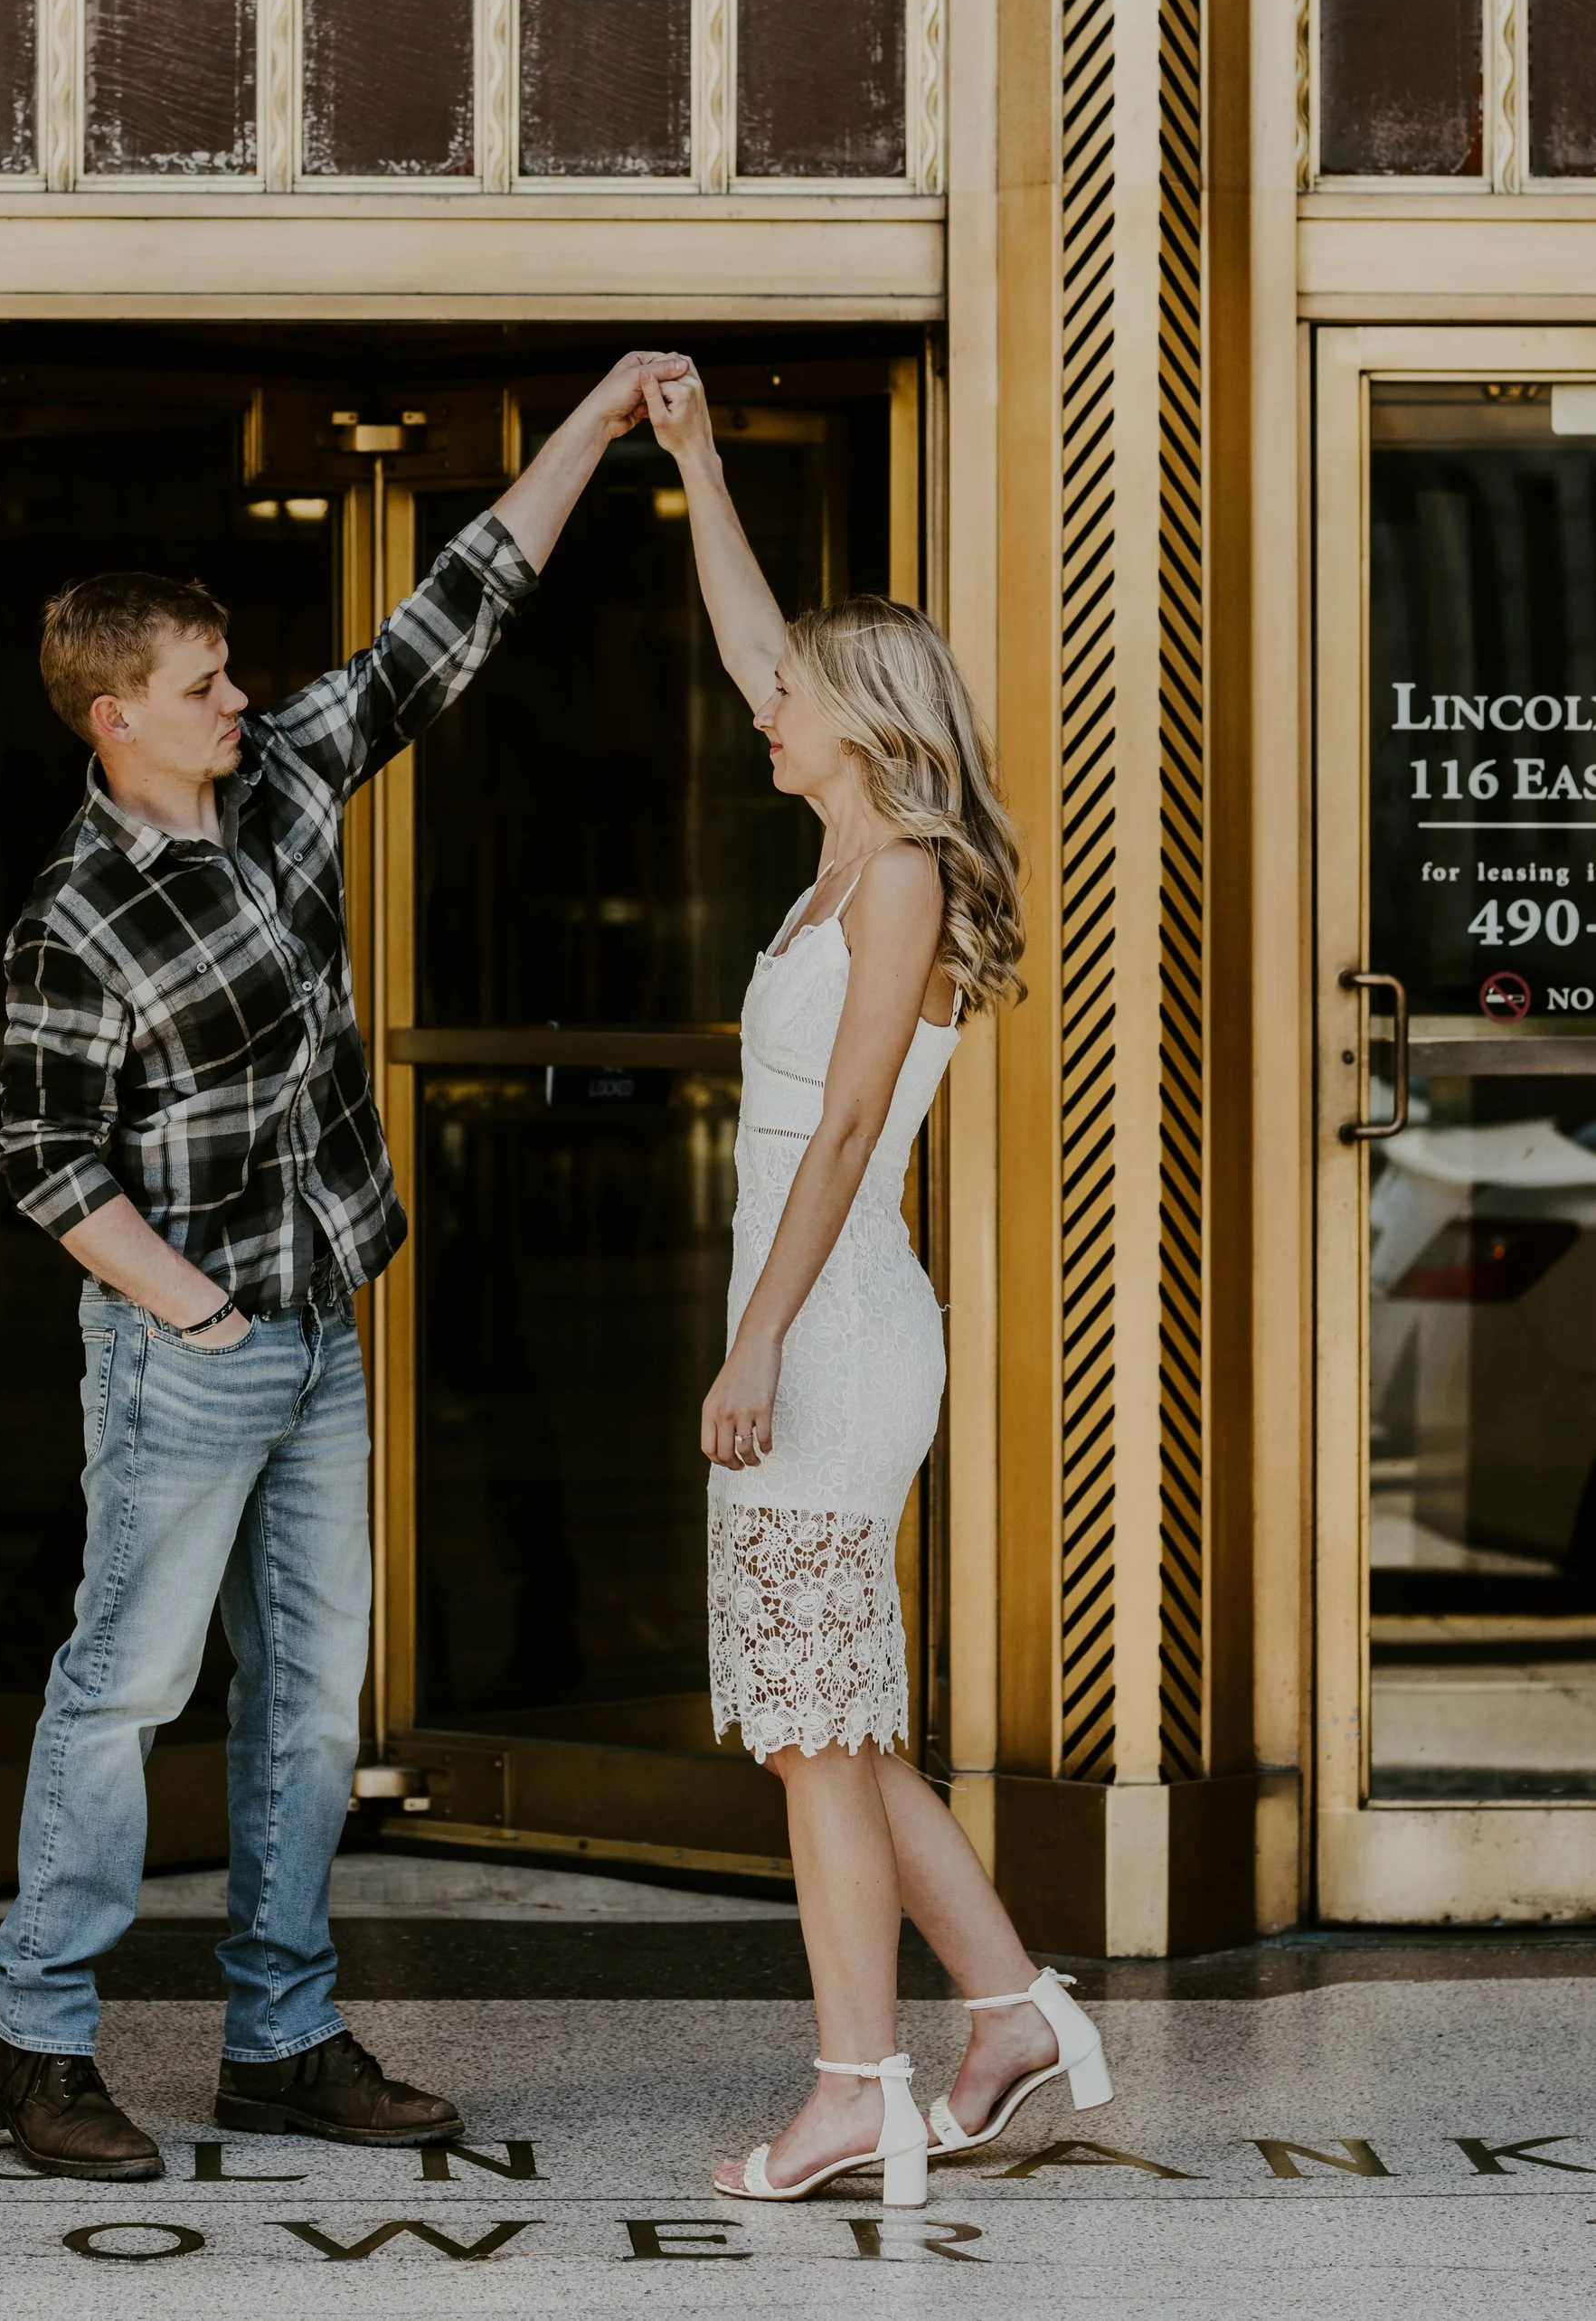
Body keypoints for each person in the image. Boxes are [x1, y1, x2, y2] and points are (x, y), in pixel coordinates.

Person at [0, 350, 686, 2183]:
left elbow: (444, 621)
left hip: (323, 1330)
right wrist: (195, 1305)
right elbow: (42, 1160)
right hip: (185, 1349)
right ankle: (38, 2042)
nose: (239, 694)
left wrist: (595, 429)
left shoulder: (283, 777)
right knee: (124, 1687)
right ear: (113, 715)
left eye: (230, 672)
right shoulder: (74, 916)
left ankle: (277, 2037)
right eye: (201, 681)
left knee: (305, 1701)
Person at [646, 361, 1112, 2212]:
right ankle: (1001, 2017)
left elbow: (840, 1134)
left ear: (858, 721)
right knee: (828, 1718)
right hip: (820, 1319)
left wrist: (748, 1345)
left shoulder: (899, 869)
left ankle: (859, 2091)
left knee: (810, 1736)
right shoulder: (847, 840)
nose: (763, 708)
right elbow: (753, 629)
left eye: (791, 697)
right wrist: (692, 463)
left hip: (827, 1330)